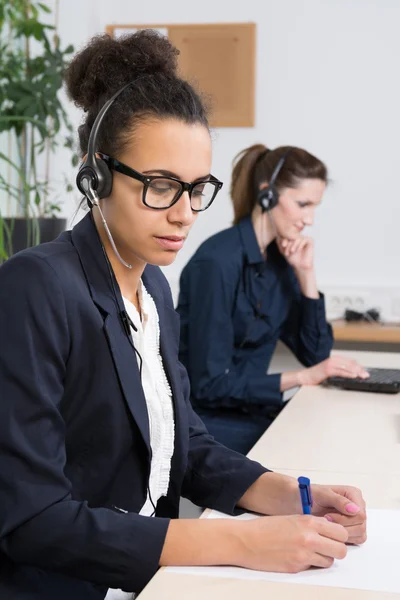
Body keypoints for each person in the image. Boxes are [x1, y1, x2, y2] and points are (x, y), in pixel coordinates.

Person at [0, 32, 366, 600]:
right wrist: (242, 544)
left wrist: (295, 496)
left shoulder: (152, 286)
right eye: (161, 185)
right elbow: (34, 519)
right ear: (96, 174)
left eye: (197, 189)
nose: (184, 213)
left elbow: (184, 446)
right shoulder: (36, 287)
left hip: (154, 580)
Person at [177, 144, 369, 455]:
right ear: (267, 195)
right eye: (303, 204)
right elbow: (208, 386)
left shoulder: (281, 263)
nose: (309, 219)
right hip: (207, 423)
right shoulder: (216, 263)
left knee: (337, 436)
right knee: (314, 451)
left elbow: (316, 354)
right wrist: (301, 378)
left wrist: (306, 275)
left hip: (252, 411)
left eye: (314, 207)